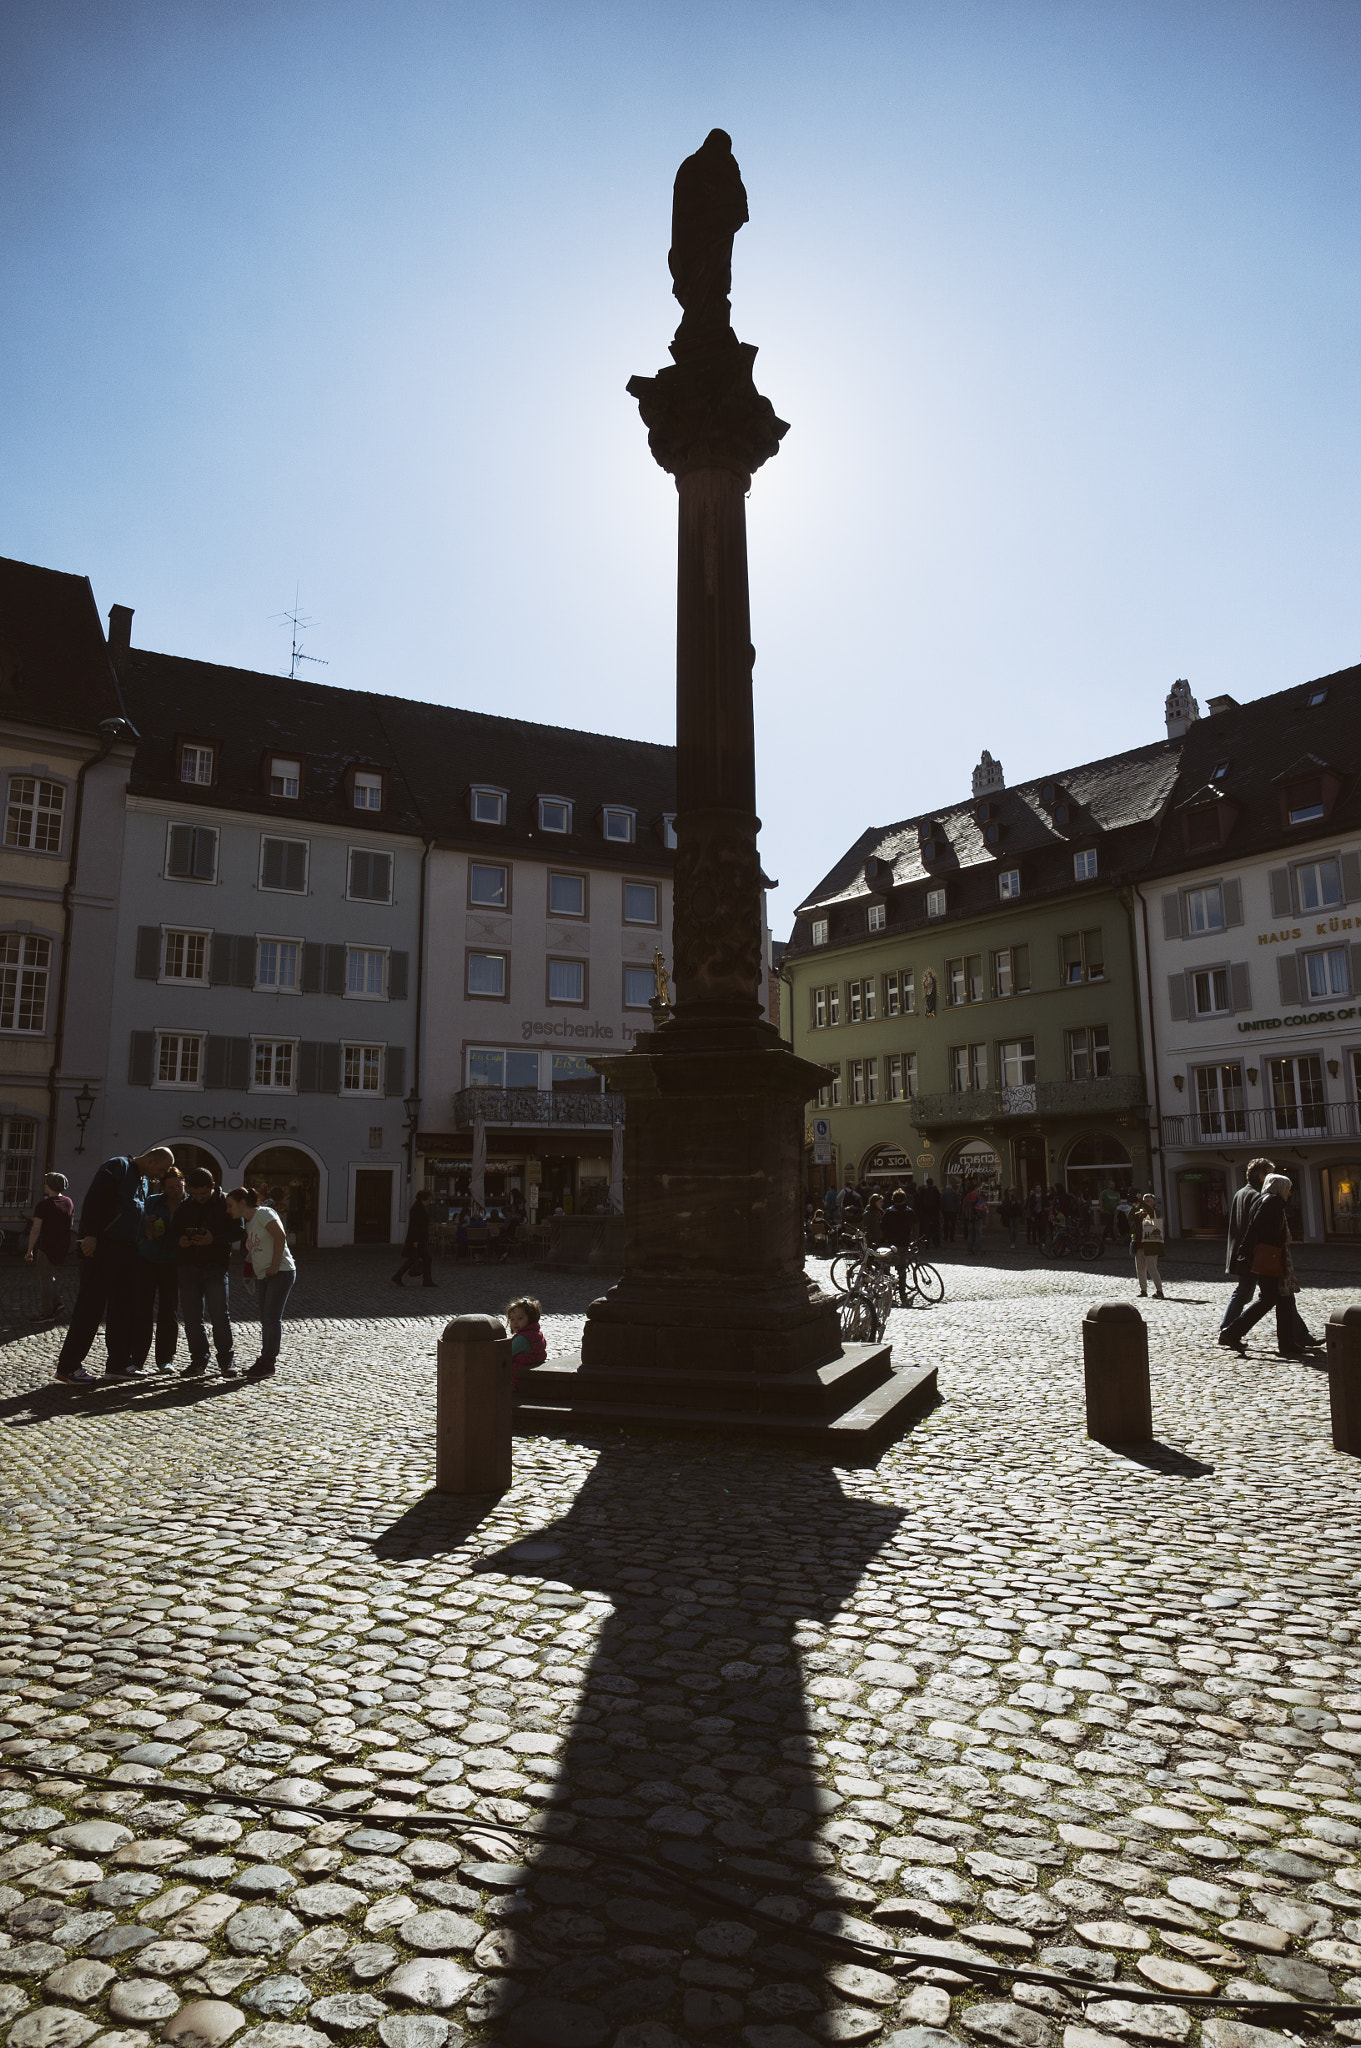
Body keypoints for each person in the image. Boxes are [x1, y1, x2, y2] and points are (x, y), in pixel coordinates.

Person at [54, 1146, 175, 1386]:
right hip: (104, 1247)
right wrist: (90, 1235)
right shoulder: (117, 1166)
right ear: (151, 1160)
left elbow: (133, 1210)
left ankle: (118, 1364)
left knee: (123, 1308)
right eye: (160, 1170)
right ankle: (68, 1367)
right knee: (91, 1307)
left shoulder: (143, 1181)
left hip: (128, 1250)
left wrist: (144, 1228)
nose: (160, 1176)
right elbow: (95, 1199)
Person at [173, 1167, 240, 1376]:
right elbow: (173, 1231)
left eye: (203, 1194)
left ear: (213, 1186)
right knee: (192, 1318)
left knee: (220, 1315)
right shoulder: (186, 1205)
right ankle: (198, 1361)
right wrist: (180, 1241)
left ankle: (226, 1361)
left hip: (215, 1267)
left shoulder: (226, 1204)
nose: (199, 1198)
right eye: (195, 1194)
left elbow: (239, 1231)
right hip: (188, 1266)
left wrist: (214, 1239)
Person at [224, 1186, 294, 1378]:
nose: (228, 1210)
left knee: (271, 1319)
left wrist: (273, 1265)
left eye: (230, 1206)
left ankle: (269, 1362)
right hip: (265, 1275)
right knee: (265, 1318)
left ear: (242, 1203)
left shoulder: (264, 1213)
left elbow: (280, 1236)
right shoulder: (249, 1222)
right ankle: (265, 1359)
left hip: (281, 1272)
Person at [1219, 1171, 1292, 1354]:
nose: (1289, 1193)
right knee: (1269, 1298)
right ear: (1281, 1188)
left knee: (1284, 1298)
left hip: (1262, 1255)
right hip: (1269, 1256)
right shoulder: (1272, 1202)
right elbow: (1258, 1227)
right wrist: (1278, 1239)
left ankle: (1289, 1342)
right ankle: (1233, 1331)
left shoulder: (1262, 1199)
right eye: (1288, 1189)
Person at [136, 1164, 186, 1370]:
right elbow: (141, 1230)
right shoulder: (152, 1202)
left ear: (184, 1184)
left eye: (178, 1187)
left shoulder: (189, 1204)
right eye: (170, 1187)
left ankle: (165, 1359)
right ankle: (137, 1358)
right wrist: (148, 1224)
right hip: (148, 1259)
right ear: (164, 1188)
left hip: (174, 1262)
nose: (175, 1191)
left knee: (169, 1311)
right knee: (142, 1310)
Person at [1220, 1157, 1274, 1336]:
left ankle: (1227, 1328)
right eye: (1269, 1173)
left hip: (1241, 1252)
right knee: (1273, 1294)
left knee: (1244, 1292)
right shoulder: (1258, 1196)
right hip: (1253, 1253)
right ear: (1260, 1175)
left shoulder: (1241, 1192)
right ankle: (1227, 1329)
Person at [26, 1172, 74, 1320]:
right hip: (62, 1246)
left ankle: (47, 1313)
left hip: (47, 1247)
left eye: (46, 1182)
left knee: (45, 1279)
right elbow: (70, 1224)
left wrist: (29, 1251)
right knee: (49, 1275)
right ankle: (58, 1302)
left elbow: (35, 1230)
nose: (44, 1185)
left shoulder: (43, 1206)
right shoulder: (68, 1202)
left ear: (51, 1185)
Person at [392, 1188, 435, 1287]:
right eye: (428, 1199)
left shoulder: (418, 1207)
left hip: (420, 1238)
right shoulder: (417, 1209)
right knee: (421, 1259)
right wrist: (415, 1240)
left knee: (418, 1259)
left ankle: (398, 1276)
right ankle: (426, 1280)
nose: (429, 1202)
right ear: (424, 1199)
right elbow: (415, 1225)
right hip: (418, 1239)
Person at [506, 1295, 547, 1399]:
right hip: (527, 1376)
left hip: (516, 1380)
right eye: (512, 1319)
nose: (515, 1322)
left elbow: (505, 1356)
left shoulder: (522, 1339)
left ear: (530, 1318)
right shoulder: (536, 1334)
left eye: (520, 1318)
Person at [1130, 1193, 1165, 1298]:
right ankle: (1143, 1290)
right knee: (1140, 1269)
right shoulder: (1141, 1213)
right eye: (1145, 1201)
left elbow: (1150, 1211)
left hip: (1151, 1245)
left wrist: (1141, 1201)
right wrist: (1134, 1207)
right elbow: (1130, 1217)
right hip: (1139, 1245)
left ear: (1153, 1202)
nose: (1146, 1203)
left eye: (1148, 1201)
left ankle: (1159, 1291)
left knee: (1152, 1268)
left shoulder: (1155, 1212)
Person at [962, 1180, 988, 1254]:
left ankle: (970, 1249)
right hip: (977, 1217)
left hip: (969, 1217)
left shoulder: (966, 1198)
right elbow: (985, 1205)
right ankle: (978, 1249)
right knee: (978, 1233)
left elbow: (963, 1208)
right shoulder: (978, 1197)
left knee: (970, 1234)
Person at [915, 1177, 941, 1250]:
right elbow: (939, 1203)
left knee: (927, 1230)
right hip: (934, 1214)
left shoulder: (924, 1191)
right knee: (935, 1229)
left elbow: (920, 1203)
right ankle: (936, 1243)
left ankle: (927, 1243)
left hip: (926, 1214)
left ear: (926, 1183)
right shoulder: (936, 1191)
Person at [941, 1180, 961, 1245]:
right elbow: (957, 1203)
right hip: (953, 1211)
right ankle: (952, 1238)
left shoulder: (943, 1193)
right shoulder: (954, 1193)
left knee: (946, 1224)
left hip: (945, 1211)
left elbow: (942, 1203)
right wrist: (957, 1210)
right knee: (952, 1225)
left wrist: (942, 1210)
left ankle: (945, 1237)